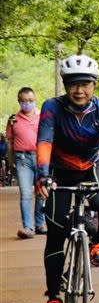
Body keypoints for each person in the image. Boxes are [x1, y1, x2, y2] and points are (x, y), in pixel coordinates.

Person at [35, 54, 99, 303]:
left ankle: (96, 244)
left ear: (95, 84)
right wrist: (43, 175)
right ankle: (54, 297)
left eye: (85, 83)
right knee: (55, 234)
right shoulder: (52, 106)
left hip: (91, 165)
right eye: (73, 84)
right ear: (65, 85)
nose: (79, 90)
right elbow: (44, 140)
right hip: (60, 172)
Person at [6, 87, 46, 239]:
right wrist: (10, 162)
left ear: (35, 100)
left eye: (30, 101)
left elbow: (49, 139)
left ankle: (40, 224)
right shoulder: (13, 119)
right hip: (22, 159)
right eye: (24, 101)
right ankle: (27, 227)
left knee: (41, 192)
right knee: (26, 194)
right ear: (19, 101)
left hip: (41, 158)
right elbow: (9, 142)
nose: (27, 104)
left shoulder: (42, 116)